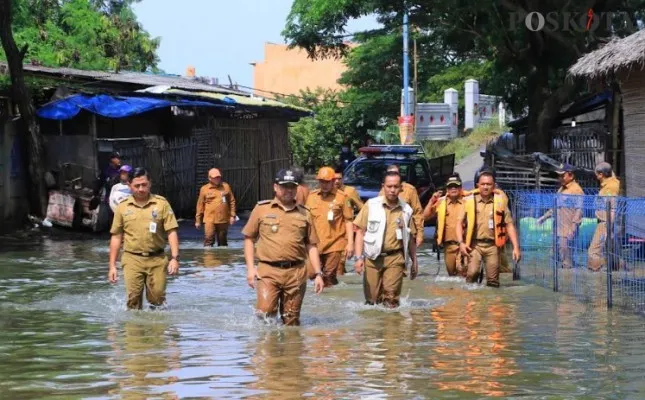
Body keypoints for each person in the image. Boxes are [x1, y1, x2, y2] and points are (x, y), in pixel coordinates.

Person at [242, 168, 325, 326]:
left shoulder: (305, 213)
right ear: (275, 187)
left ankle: (290, 350)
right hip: (268, 271)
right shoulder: (262, 209)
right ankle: (268, 348)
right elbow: (248, 239)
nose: (288, 190)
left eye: (292, 187)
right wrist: (250, 269)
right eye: (284, 186)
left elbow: (311, 245)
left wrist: (318, 274)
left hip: (296, 272)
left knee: (291, 320)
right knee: (265, 314)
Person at [108, 167, 180, 310]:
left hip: (157, 259)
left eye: (144, 185)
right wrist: (112, 266)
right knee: (133, 301)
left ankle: (156, 331)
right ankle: (134, 331)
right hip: (132, 259)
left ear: (150, 184)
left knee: (157, 299)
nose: (141, 189)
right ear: (129, 185)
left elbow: (171, 231)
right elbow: (116, 236)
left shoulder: (161, 203)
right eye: (137, 186)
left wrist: (174, 258)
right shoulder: (122, 207)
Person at [354, 171, 419, 308]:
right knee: (372, 302)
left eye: (396, 186)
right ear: (383, 186)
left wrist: (414, 261)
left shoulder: (406, 210)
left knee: (391, 300)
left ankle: (392, 327)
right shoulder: (371, 205)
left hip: (395, 257)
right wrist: (359, 258)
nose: (392, 190)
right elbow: (359, 231)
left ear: (401, 188)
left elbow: (411, 237)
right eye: (389, 186)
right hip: (372, 258)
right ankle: (377, 329)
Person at [456, 168, 521, 287]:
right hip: (474, 246)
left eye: (489, 184)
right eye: (483, 184)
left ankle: (493, 303)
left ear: (494, 186)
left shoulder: (500, 202)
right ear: (478, 185)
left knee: (493, 280)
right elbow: (459, 223)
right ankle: (471, 302)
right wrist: (461, 243)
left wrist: (516, 247)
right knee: (472, 274)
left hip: (493, 246)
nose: (486, 187)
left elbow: (509, 225)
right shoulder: (469, 201)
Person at [305, 166, 354, 287]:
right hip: (315, 244)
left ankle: (330, 302)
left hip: (335, 244)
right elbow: (306, 220)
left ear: (333, 181)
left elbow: (348, 221)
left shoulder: (342, 197)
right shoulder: (311, 197)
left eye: (327, 182)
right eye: (322, 181)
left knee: (328, 275)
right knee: (311, 274)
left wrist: (350, 243)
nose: (324, 185)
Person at [537, 163, 584, 269]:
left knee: (566, 260)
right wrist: (544, 217)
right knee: (554, 257)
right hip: (557, 230)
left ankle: (567, 279)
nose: (560, 178)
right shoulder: (561, 189)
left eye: (562, 175)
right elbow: (555, 207)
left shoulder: (577, 190)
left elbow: (579, 210)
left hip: (567, 232)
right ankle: (558, 280)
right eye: (559, 176)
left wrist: (573, 227)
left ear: (570, 175)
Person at [424, 173, 467, 277]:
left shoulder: (468, 202)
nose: (453, 189)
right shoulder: (440, 202)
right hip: (448, 246)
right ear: (447, 189)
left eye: (456, 186)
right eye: (450, 186)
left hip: (465, 245)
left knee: (463, 273)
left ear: (460, 188)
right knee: (452, 275)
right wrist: (431, 201)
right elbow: (425, 217)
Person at [378, 164, 424, 247]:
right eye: (390, 174)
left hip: (407, 232)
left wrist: (420, 234)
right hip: (388, 234)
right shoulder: (383, 191)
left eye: (395, 173)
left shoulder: (410, 190)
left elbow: (418, 213)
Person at [588, 162, 621, 271]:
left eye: (597, 174)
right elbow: (611, 172)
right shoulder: (613, 181)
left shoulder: (610, 188)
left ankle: (595, 275)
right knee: (612, 251)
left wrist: (608, 226)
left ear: (601, 174)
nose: (596, 176)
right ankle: (620, 271)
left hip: (605, 222)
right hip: (609, 222)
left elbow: (612, 208)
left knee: (593, 251)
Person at [195, 168, 237, 247]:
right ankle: (208, 258)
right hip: (209, 219)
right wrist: (198, 220)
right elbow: (200, 205)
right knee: (209, 240)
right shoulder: (204, 189)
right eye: (215, 177)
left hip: (223, 219)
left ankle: (223, 258)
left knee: (223, 242)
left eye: (218, 177)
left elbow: (232, 201)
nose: (217, 179)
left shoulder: (226, 186)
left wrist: (232, 215)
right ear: (209, 178)